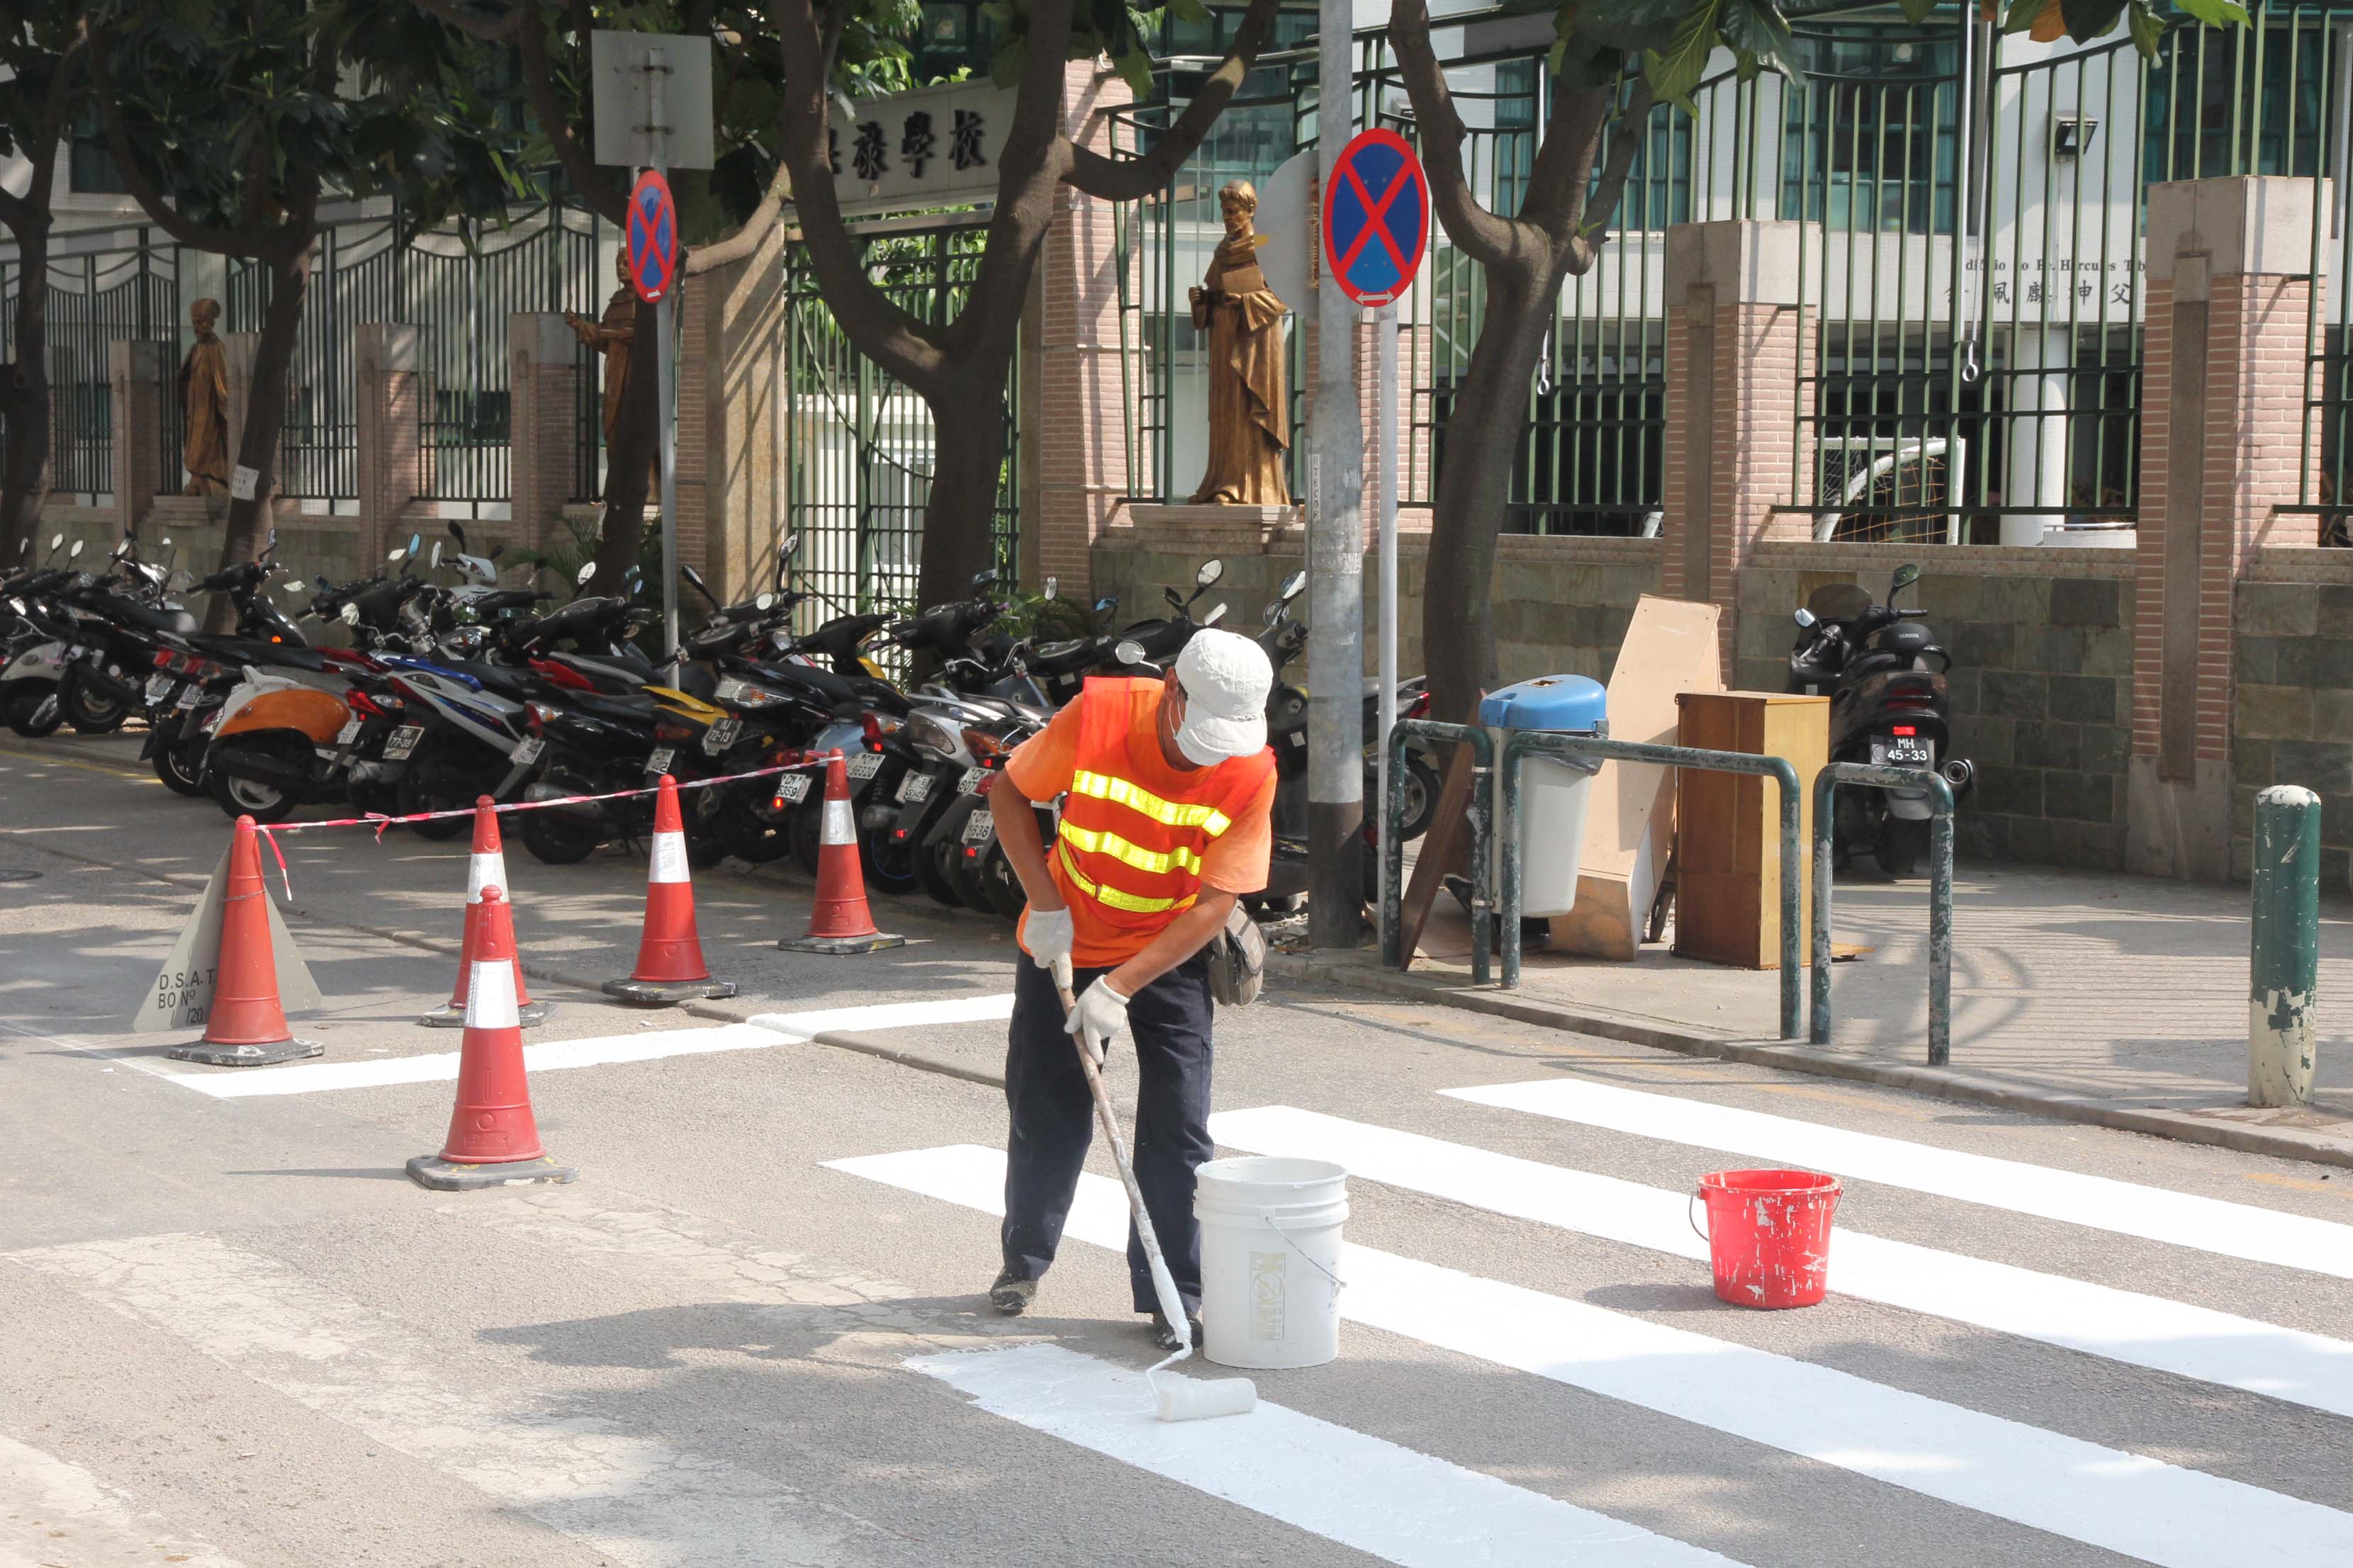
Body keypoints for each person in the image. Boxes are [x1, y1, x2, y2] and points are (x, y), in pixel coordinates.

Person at [987, 628, 1278, 1349]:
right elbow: (1009, 792)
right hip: (1065, 935)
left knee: (1179, 1125)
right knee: (1045, 1108)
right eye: (1200, 733)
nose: (1207, 756)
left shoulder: (1251, 769)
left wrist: (1119, 986)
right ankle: (1023, 1262)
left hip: (1168, 950)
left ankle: (1173, 1295)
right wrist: (1045, 904)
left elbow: (1216, 900)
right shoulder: (1101, 716)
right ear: (1172, 687)